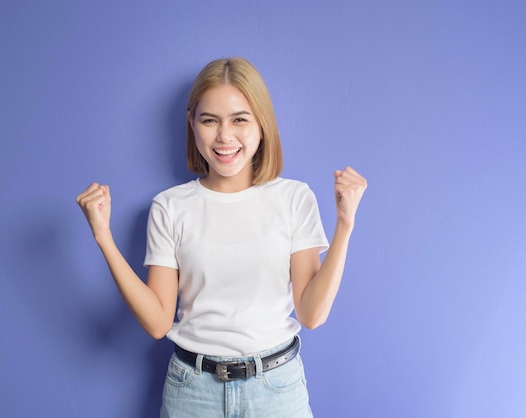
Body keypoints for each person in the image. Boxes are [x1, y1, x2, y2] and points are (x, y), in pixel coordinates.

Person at [76, 57, 367, 417]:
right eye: (209, 120)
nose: (224, 136)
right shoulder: (170, 207)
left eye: (239, 120)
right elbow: (157, 322)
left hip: (276, 392)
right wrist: (103, 237)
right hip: (192, 393)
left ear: (262, 123)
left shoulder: (293, 198)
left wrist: (345, 223)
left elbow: (311, 313)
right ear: (192, 124)